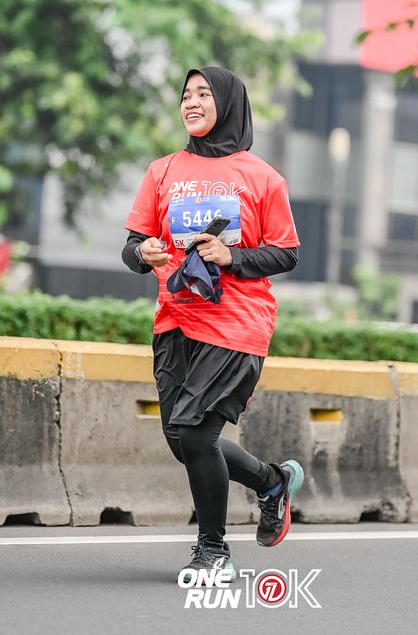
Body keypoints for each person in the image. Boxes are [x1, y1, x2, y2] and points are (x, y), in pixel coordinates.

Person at [122, 66, 304, 582]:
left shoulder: (262, 177)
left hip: (236, 324)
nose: (192, 102)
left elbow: (287, 252)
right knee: (181, 439)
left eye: (204, 93)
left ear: (228, 103)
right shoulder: (162, 171)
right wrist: (145, 253)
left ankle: (213, 550)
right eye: (186, 94)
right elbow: (132, 248)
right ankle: (271, 482)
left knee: (194, 432)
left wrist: (232, 255)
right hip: (175, 321)